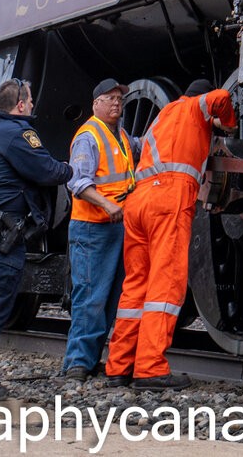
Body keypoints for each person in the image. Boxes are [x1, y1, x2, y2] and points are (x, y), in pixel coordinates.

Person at [105, 78, 236, 389]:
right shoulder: (196, 107)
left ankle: (119, 366)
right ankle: (150, 369)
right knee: (165, 286)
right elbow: (220, 97)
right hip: (169, 199)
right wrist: (228, 125)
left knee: (135, 286)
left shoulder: (163, 115)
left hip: (139, 200)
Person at [0, 78, 72, 401]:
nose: (32, 105)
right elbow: (46, 170)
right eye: (30, 100)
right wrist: (71, 170)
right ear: (20, 105)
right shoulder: (18, 134)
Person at [60, 78, 142, 381]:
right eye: (110, 98)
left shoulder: (121, 134)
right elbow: (78, 182)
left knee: (108, 298)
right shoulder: (88, 136)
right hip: (92, 228)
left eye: (120, 98)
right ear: (96, 104)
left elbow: (143, 147)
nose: (117, 102)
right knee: (90, 298)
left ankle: (89, 360)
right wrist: (107, 205)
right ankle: (77, 364)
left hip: (115, 226)